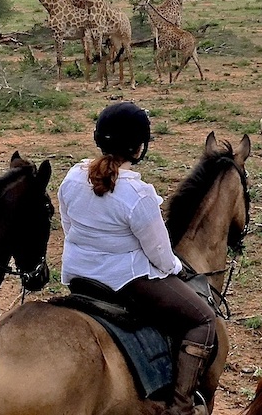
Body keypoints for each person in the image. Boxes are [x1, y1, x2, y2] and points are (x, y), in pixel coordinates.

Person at [58, 101, 216, 415]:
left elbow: (67, 226)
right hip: (126, 282)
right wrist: (176, 269)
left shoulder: (73, 178)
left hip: (78, 276)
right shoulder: (138, 194)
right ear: (139, 147)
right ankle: (181, 407)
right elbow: (160, 254)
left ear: (98, 138)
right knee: (204, 322)